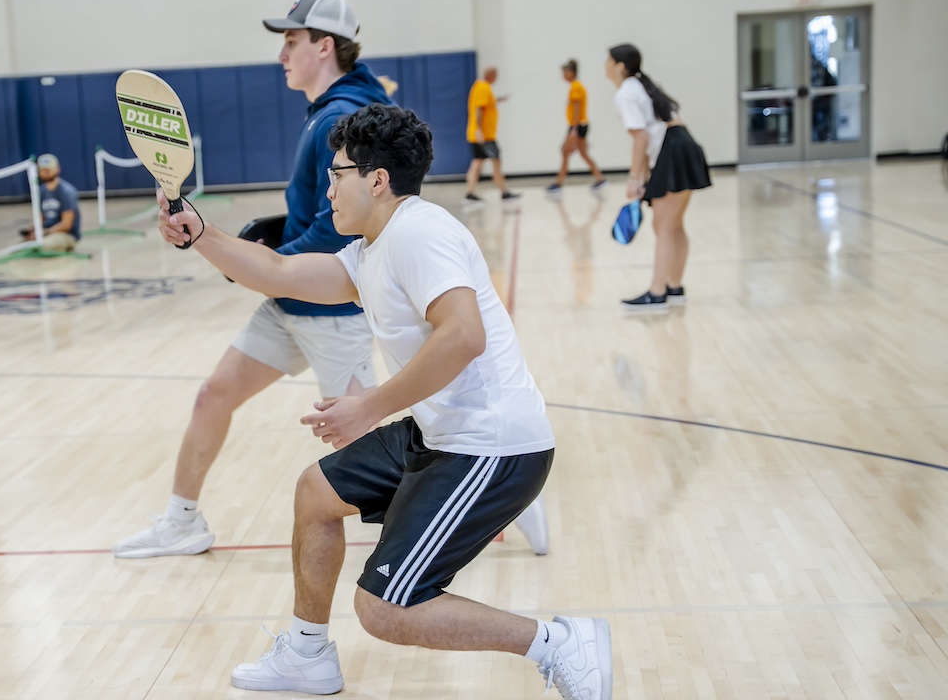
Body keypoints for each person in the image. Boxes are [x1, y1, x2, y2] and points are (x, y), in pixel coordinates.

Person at [156, 103, 611, 699]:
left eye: (338, 173)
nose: (329, 187)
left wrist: (369, 407)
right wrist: (202, 234)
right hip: (440, 431)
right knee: (317, 493)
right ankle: (306, 653)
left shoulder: (420, 232)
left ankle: (557, 642)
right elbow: (279, 272)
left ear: (377, 179)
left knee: (385, 609)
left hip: (491, 446)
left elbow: (464, 334)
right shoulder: (370, 248)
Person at [112, 0, 389, 559]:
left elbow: (339, 240)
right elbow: (317, 216)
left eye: (291, 41)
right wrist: (269, 239)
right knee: (214, 396)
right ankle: (182, 521)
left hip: (332, 313)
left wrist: (254, 263)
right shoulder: (327, 113)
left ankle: (489, 502)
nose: (281, 54)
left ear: (324, 45)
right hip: (291, 307)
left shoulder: (339, 119)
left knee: (363, 438)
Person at [606, 43, 711, 310]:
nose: (604, 66)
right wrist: (643, 177)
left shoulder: (626, 94)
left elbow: (640, 138)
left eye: (608, 61)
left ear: (620, 66)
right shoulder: (643, 86)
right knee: (673, 225)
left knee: (663, 227)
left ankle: (657, 292)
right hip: (682, 146)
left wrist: (634, 179)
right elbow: (650, 136)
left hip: (673, 151)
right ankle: (674, 287)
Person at [546, 59, 607, 194]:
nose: (563, 76)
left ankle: (559, 182)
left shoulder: (575, 87)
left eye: (565, 72)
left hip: (577, 126)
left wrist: (573, 130)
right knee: (583, 153)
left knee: (564, 151)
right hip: (580, 125)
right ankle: (600, 179)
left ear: (571, 72)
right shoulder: (576, 86)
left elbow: (577, 108)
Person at [464, 67, 519, 203]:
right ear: (492, 75)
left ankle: (472, 192)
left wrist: (499, 99)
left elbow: (486, 104)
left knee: (480, 162)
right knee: (489, 162)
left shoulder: (482, 87)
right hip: (484, 136)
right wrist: (480, 130)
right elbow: (479, 110)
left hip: (482, 135)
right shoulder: (483, 87)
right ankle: (501, 191)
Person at [19, 154, 81, 252]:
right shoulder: (41, 192)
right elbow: (41, 218)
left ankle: (67, 246)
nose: (46, 172)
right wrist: (32, 230)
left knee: (40, 247)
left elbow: (66, 225)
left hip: (66, 235)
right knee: (16, 246)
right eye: (43, 170)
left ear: (57, 169)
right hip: (47, 232)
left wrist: (45, 233)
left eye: (49, 169)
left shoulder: (67, 192)